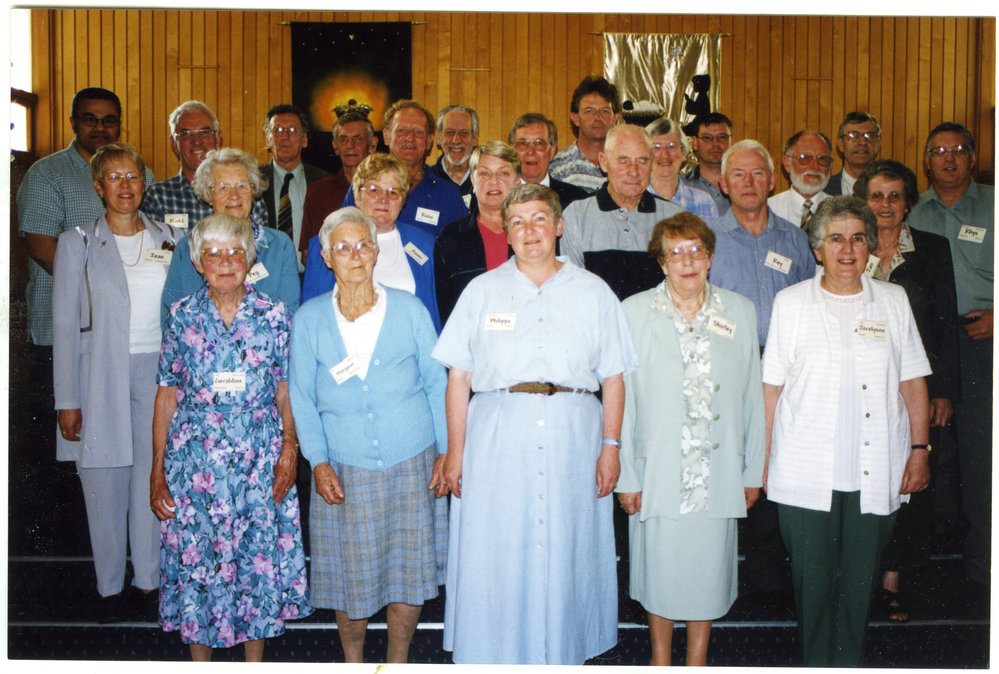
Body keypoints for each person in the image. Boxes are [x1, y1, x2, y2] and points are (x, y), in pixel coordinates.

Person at [433, 183, 638, 664]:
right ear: (506, 230)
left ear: (559, 226)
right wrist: (456, 453)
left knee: (568, 547)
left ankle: (564, 652)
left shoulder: (593, 292)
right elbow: (458, 378)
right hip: (498, 436)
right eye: (519, 222)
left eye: (539, 219)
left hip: (574, 434)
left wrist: (611, 445)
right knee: (499, 549)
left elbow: (614, 377)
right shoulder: (482, 292)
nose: (530, 231)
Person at [762, 196, 931, 666]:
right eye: (835, 238)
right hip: (803, 469)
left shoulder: (893, 301)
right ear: (818, 249)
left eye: (858, 238)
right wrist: (761, 460)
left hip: (875, 468)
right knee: (812, 588)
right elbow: (770, 389)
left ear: (870, 247)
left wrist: (920, 450)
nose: (847, 249)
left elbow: (913, 380)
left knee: (859, 586)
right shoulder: (790, 303)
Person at [289, 207, 448, 663]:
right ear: (325, 257)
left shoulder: (409, 308)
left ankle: (397, 663)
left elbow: (437, 383)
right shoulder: (310, 319)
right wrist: (318, 461)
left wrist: (446, 451)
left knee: (409, 574)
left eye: (363, 245)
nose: (355, 254)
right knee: (350, 580)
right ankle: (354, 664)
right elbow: (301, 397)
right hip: (344, 467)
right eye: (343, 247)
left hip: (412, 462)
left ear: (377, 252)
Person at [150, 213, 312, 661]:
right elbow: (166, 395)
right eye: (214, 254)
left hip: (258, 456)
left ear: (249, 259)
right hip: (194, 462)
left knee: (254, 566)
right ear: (199, 262)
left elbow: (286, 391)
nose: (225, 261)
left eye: (235, 252)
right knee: (197, 565)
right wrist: (157, 469)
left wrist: (289, 450)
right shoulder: (181, 316)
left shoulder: (275, 315)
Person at [617, 212, 764, 666]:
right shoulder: (633, 312)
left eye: (696, 250)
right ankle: (661, 662)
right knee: (660, 574)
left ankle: (696, 663)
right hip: (656, 469)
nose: (687, 261)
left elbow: (752, 396)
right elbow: (623, 401)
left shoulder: (739, 311)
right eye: (675, 252)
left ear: (711, 257)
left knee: (707, 577)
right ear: (661, 262)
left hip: (718, 472)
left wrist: (752, 470)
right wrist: (627, 474)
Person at [52, 142, 176, 623]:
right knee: (103, 477)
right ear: (98, 186)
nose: (126, 186)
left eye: (134, 176)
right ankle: (108, 586)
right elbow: (64, 325)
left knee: (154, 470)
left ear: (145, 183)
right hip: (98, 371)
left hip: (157, 371)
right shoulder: (77, 241)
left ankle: (149, 579)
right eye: (115, 177)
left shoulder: (167, 238)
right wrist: (68, 399)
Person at [853, 158, 960, 621]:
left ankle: (892, 582)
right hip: (859, 385)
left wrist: (943, 390)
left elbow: (944, 323)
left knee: (911, 482)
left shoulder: (931, 249)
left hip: (915, 385)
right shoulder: (851, 248)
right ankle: (859, 576)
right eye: (877, 195)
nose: (886, 205)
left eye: (895, 196)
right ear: (863, 201)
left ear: (909, 202)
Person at [19, 87, 153, 396]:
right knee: (64, 422)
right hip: (61, 326)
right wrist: (102, 289)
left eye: (109, 120)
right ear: (73, 122)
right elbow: (40, 246)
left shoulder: (142, 174)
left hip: (121, 329)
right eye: (90, 119)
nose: (100, 127)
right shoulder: (47, 174)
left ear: (119, 125)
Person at [907, 121, 994, 586]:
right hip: (932, 348)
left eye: (959, 150)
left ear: (973, 158)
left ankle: (983, 569)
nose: (949, 158)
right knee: (931, 453)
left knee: (982, 456)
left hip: (984, 343)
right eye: (939, 151)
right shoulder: (912, 213)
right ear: (926, 160)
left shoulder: (996, 205)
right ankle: (924, 568)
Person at [300, 153, 441, 330]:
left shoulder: (425, 244)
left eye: (393, 192)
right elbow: (310, 317)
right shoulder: (323, 244)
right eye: (374, 190)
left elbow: (432, 317)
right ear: (357, 196)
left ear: (403, 200)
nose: (384, 199)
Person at [159, 147, 300, 324]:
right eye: (223, 187)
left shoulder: (279, 245)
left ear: (253, 190)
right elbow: (171, 317)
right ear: (209, 195)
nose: (234, 195)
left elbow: (290, 315)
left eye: (241, 185)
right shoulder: (186, 247)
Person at [560, 124, 683, 301]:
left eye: (642, 161)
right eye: (623, 161)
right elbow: (572, 291)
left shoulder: (675, 218)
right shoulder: (576, 216)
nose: (633, 172)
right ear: (603, 162)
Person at [342, 99, 469, 237]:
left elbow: (460, 250)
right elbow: (341, 234)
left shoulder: (448, 195)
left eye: (418, 132)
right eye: (401, 131)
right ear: (386, 136)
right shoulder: (364, 187)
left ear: (429, 141)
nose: (410, 138)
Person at [141, 100, 268, 229]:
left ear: (218, 139)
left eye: (204, 133)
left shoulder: (246, 195)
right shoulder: (159, 197)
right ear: (174, 143)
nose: (197, 142)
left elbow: (262, 244)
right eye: (187, 134)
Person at [434, 141, 521, 325]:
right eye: (484, 173)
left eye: (503, 173)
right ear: (472, 180)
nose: (493, 181)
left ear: (518, 181)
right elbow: (446, 309)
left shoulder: (532, 236)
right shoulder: (450, 238)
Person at [300, 108, 379, 257]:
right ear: (335, 146)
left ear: (372, 144)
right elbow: (307, 254)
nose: (350, 145)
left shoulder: (383, 193)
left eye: (358, 139)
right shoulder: (318, 192)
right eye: (343, 139)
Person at [258, 104, 330, 264]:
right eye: (277, 130)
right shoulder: (253, 181)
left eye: (292, 130)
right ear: (267, 138)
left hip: (311, 274)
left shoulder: (323, 182)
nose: (284, 137)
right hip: (268, 275)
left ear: (304, 139)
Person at [549, 75, 621, 193]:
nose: (598, 117)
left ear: (615, 119)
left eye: (605, 111)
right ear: (575, 118)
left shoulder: (627, 164)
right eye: (589, 111)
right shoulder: (557, 167)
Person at [644, 117, 718, 222]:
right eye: (656, 147)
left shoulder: (703, 202)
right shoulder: (634, 201)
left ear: (683, 154)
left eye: (671, 146)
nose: (665, 154)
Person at [508, 112, 588, 208]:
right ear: (512, 151)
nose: (530, 151)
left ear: (552, 152)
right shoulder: (503, 197)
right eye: (523, 143)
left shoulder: (577, 200)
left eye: (539, 143)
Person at [768, 130, 834, 227]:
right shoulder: (768, 211)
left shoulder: (842, 212)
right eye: (805, 158)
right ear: (787, 163)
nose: (815, 166)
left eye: (822, 159)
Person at [680, 112, 733, 213]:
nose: (715, 143)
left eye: (722, 137)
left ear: (732, 142)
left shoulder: (744, 184)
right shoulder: (680, 186)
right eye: (707, 138)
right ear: (695, 143)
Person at [826, 111, 882, 196]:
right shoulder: (825, 189)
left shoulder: (889, 190)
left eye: (869, 136)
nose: (863, 142)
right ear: (841, 145)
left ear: (877, 144)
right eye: (854, 136)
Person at [432, 105, 478, 202]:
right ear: (439, 138)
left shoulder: (486, 179)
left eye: (463, 133)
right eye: (450, 132)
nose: (456, 140)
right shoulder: (428, 179)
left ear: (475, 139)